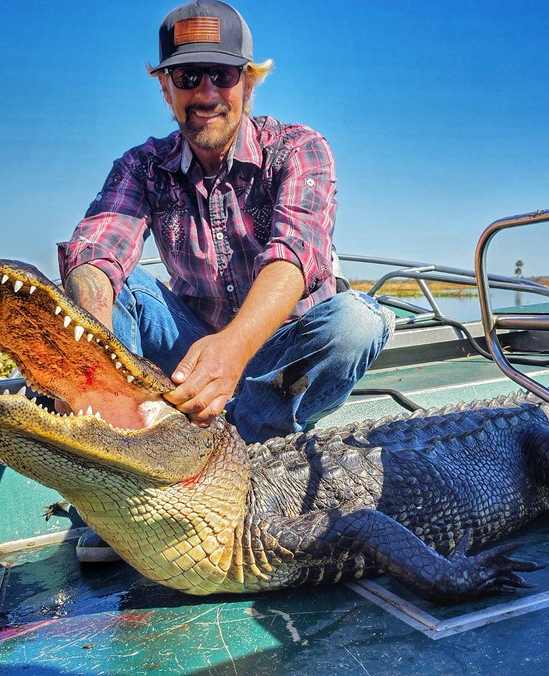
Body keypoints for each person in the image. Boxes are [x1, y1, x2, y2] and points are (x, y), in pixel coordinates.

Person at [58, 0, 393, 561]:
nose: (207, 92)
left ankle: (251, 447)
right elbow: (100, 247)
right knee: (120, 290)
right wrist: (90, 337)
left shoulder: (298, 147)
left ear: (249, 83)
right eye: (189, 76)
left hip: (278, 351)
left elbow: (296, 254)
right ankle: (124, 475)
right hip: (190, 352)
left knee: (356, 322)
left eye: (223, 74)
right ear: (166, 89)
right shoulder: (141, 166)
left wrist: (234, 350)